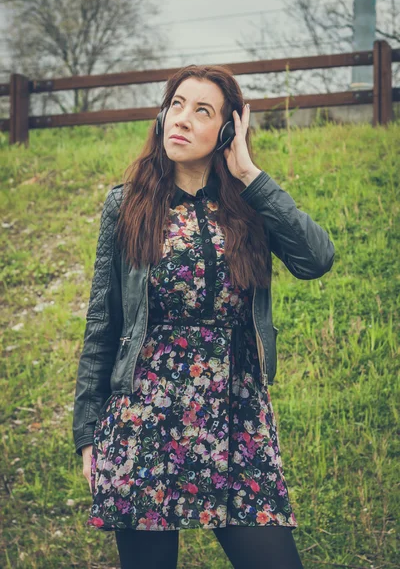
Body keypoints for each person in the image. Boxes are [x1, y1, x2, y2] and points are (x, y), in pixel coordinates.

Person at [72, 64, 335, 568]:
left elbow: (315, 259)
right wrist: (88, 433)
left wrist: (250, 174)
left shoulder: (250, 205)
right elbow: (102, 325)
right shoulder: (127, 206)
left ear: (228, 130)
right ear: (160, 116)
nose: (183, 119)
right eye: (177, 105)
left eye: (203, 111)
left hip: (237, 417)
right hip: (144, 421)